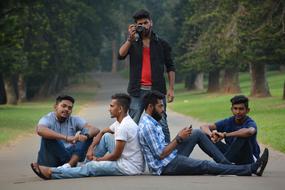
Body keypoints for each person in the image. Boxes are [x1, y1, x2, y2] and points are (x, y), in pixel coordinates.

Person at [138, 91, 269, 176]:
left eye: (162, 106)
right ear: (150, 107)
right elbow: (160, 155)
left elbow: (250, 131)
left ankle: (227, 166)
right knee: (205, 165)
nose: (163, 110)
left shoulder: (152, 121)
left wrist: (182, 137)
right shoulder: (148, 126)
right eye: (160, 106)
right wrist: (179, 138)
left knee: (197, 133)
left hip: (170, 158)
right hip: (166, 166)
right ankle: (250, 169)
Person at [30, 93, 144, 180]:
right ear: (56, 106)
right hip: (54, 156)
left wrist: (97, 160)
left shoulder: (124, 126)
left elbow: (115, 156)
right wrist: (89, 149)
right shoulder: (121, 122)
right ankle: (81, 166)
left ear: (120, 109)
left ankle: (52, 173)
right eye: (63, 106)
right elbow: (102, 132)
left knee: (92, 166)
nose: (109, 108)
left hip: (128, 167)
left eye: (111, 106)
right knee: (106, 137)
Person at [118, 9, 175, 143]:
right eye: (140, 24)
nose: (144, 25)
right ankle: (132, 158)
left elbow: (170, 67)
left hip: (157, 91)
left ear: (151, 23)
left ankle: (168, 154)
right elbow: (120, 55)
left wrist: (171, 89)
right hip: (137, 91)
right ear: (136, 25)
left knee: (162, 124)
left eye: (146, 22)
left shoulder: (162, 44)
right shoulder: (133, 42)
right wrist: (129, 40)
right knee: (132, 125)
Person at [34, 95, 99, 168]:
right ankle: (69, 164)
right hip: (52, 159)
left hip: (70, 156)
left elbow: (95, 129)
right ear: (55, 107)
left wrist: (86, 136)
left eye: (69, 108)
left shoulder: (74, 119)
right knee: (47, 136)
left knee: (87, 134)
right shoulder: (47, 118)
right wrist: (67, 138)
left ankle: (69, 165)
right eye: (63, 106)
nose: (66, 109)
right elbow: (40, 130)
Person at [200, 95, 260, 164]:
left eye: (241, 109)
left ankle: (222, 164)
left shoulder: (250, 122)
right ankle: (225, 163)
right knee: (204, 135)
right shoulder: (228, 121)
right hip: (232, 155)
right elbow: (203, 126)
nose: (238, 112)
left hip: (249, 157)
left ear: (247, 110)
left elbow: (249, 131)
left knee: (241, 136)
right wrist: (211, 135)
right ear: (231, 109)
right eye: (235, 108)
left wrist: (225, 135)